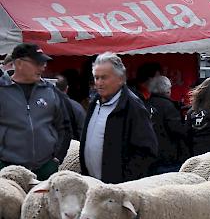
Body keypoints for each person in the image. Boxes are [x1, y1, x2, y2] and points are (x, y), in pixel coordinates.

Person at [80, 52, 158, 184]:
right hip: (93, 185)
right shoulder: (94, 103)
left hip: (118, 190)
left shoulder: (133, 107)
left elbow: (146, 151)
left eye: (104, 78)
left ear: (121, 78)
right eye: (96, 78)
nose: (99, 83)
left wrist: (124, 181)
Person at [0, 43, 71, 180]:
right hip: (7, 171)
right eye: (38, 62)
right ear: (19, 63)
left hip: (45, 169)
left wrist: (56, 159)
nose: (43, 66)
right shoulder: (2, 90)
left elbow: (64, 127)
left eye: (44, 62)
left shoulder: (51, 91)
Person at [148, 75, 189, 173]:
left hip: (149, 155)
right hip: (167, 156)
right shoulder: (168, 106)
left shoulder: (145, 104)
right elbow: (177, 130)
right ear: (167, 90)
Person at [55, 74, 86, 140]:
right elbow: (83, 132)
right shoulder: (77, 107)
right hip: (71, 146)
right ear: (67, 88)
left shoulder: (41, 106)